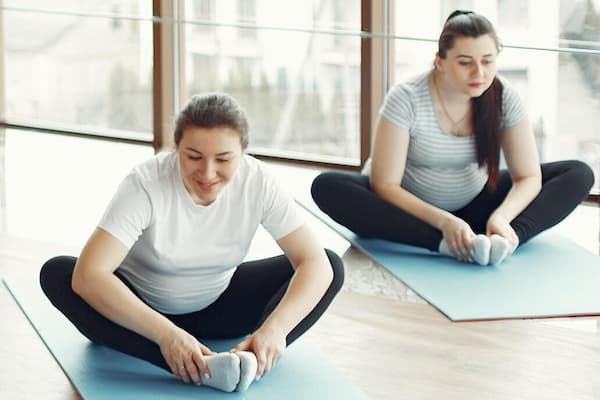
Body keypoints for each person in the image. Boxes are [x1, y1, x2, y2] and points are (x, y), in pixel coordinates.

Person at [40, 93, 344, 393]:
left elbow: (314, 262)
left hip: (219, 307)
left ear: (243, 152)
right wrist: (166, 335)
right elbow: (90, 275)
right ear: (176, 149)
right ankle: (205, 370)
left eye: (224, 159)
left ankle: (252, 359)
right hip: (144, 316)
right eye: (194, 157)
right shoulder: (145, 183)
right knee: (59, 274)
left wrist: (275, 329)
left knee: (329, 265)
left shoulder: (258, 181)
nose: (208, 173)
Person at [312, 10, 594, 266]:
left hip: (476, 205)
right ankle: (445, 244)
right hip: (410, 214)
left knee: (578, 174)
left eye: (487, 61)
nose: (479, 73)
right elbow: (385, 184)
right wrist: (445, 222)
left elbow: (528, 177)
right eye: (465, 62)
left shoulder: (504, 96)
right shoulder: (406, 98)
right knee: (326, 186)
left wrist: (502, 218)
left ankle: (504, 240)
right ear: (440, 61)